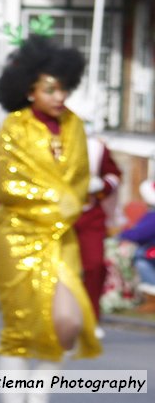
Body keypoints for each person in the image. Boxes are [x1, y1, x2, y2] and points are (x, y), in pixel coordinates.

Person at [0, 34, 101, 402]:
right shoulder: (14, 127)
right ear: (29, 90)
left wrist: (66, 207)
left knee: (68, 324)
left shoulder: (75, 126)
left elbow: (82, 181)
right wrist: (56, 200)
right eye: (51, 89)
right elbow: (7, 187)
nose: (60, 97)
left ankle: (37, 396)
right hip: (16, 235)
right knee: (21, 326)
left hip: (60, 237)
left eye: (64, 89)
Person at [71, 119, 121, 334]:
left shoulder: (98, 148)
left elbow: (114, 174)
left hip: (90, 214)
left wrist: (103, 185)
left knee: (95, 266)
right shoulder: (51, 145)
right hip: (59, 215)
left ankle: (91, 317)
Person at [119, 178, 155, 313]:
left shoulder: (153, 215)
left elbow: (140, 234)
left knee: (140, 259)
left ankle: (152, 296)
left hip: (151, 253)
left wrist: (123, 235)